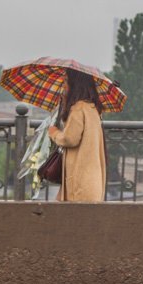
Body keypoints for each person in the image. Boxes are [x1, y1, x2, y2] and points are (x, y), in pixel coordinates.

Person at [47, 68, 107, 202]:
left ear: (75, 84)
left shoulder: (78, 108)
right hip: (92, 181)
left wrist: (54, 133)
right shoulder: (93, 108)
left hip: (79, 183)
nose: (64, 85)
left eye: (66, 81)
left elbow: (70, 139)